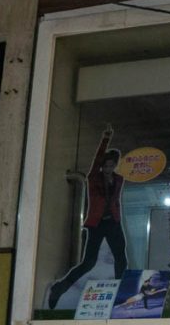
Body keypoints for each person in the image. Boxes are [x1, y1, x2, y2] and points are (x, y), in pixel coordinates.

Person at [47, 126, 127, 308]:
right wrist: (106, 139)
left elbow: (115, 199)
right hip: (97, 223)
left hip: (113, 223)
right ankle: (59, 288)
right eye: (106, 165)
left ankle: (120, 294)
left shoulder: (119, 179)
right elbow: (97, 159)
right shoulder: (94, 178)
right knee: (89, 262)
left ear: (115, 165)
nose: (108, 168)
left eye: (111, 165)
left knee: (121, 258)